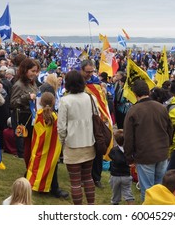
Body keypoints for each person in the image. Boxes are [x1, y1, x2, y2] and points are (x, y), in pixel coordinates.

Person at [124, 79, 173, 201]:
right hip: (161, 153)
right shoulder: (161, 108)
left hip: (145, 155)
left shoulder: (133, 111)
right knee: (159, 188)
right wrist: (168, 146)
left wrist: (129, 157)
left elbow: (128, 137)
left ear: (135, 94)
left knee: (148, 190)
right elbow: (170, 130)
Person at [57, 70, 96, 205]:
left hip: (72, 144)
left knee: (75, 182)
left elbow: (61, 127)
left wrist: (61, 143)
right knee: (87, 178)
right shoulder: (91, 98)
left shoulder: (65, 101)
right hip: (89, 142)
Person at [26, 92, 68, 199]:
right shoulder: (55, 117)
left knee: (36, 166)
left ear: (40, 102)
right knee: (52, 167)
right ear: (54, 102)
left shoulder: (38, 115)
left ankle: (35, 184)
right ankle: (54, 188)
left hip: (39, 147)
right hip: (52, 149)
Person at [81, 59, 112, 189]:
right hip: (83, 121)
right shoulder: (77, 82)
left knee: (98, 148)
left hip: (97, 121)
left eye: (91, 71)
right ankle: (84, 177)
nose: (89, 74)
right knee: (85, 150)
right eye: (87, 72)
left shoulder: (97, 84)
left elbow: (102, 102)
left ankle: (96, 177)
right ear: (82, 70)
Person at [10, 58, 38, 165]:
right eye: (32, 71)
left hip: (32, 116)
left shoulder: (32, 83)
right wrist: (27, 97)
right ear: (25, 70)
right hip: (22, 117)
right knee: (26, 143)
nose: (34, 74)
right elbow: (12, 103)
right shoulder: (19, 85)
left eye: (36, 71)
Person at [108, 129, 135, 205]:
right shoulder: (129, 150)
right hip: (126, 175)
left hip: (115, 176)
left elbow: (110, 156)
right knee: (128, 193)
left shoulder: (113, 150)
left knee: (115, 194)